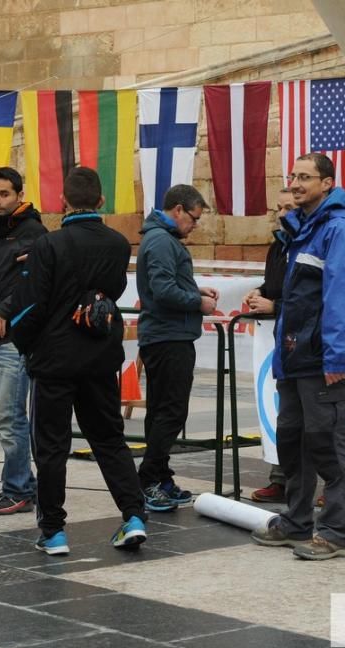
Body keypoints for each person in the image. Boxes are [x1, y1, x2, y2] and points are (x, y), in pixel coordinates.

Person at [9, 166, 147, 555]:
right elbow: (112, 290)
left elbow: (30, 308)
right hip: (100, 356)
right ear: (101, 202)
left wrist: (26, 345)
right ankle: (133, 515)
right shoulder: (119, 244)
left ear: (62, 201)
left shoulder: (49, 245)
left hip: (55, 360)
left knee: (51, 445)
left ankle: (53, 530)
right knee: (109, 439)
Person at [250, 153, 345, 561]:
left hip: (320, 360)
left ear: (327, 184)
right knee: (294, 442)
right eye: (293, 176)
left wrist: (336, 357)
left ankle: (336, 533)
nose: (297, 184)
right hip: (294, 358)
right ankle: (296, 522)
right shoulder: (301, 229)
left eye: (306, 177)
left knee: (327, 445)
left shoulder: (339, 231)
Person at [135, 184, 219, 512]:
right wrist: (197, 302)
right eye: (194, 219)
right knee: (171, 412)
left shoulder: (161, 239)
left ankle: (159, 475)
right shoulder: (160, 241)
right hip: (169, 337)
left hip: (166, 335)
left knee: (160, 412)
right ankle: (147, 480)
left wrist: (195, 289)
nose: (194, 226)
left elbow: (168, 283)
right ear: (179, 210)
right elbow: (162, 289)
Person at [0, 167, 47, 516]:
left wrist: (4, 311)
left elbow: (31, 288)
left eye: (4, 194)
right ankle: (22, 484)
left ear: (19, 194)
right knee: (1, 417)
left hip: (16, 340)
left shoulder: (33, 233)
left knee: (12, 418)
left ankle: (17, 490)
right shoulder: (0, 235)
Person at [248, 188, 294, 504]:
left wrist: (274, 306)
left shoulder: (318, 244)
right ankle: (281, 480)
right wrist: (258, 293)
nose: (281, 214)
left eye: (288, 208)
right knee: (286, 414)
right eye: (278, 208)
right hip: (283, 342)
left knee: (321, 420)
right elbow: (274, 285)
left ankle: (335, 485)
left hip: (308, 340)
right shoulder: (277, 245)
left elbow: (313, 298)